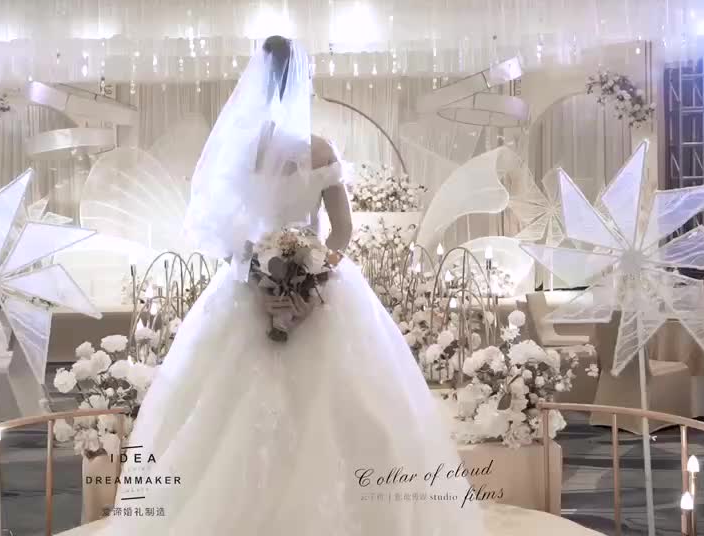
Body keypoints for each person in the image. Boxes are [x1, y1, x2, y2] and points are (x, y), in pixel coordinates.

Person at [98, 35, 482, 535]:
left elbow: (226, 234)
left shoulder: (239, 151)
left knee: (219, 408)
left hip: (245, 288)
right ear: (303, 80)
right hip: (321, 289)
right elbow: (342, 230)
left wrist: (260, 272)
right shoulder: (318, 150)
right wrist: (314, 271)